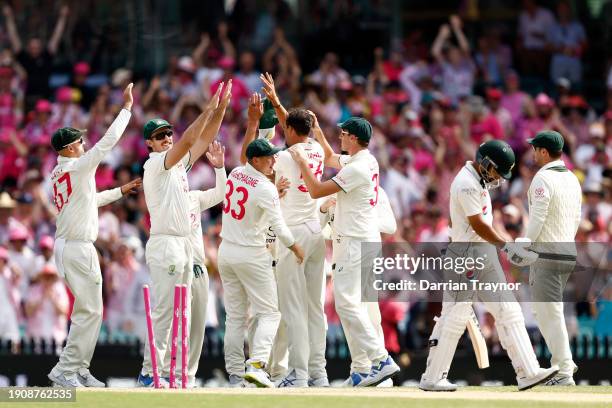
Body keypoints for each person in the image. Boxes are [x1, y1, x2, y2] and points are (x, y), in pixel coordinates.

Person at [418, 140, 559, 392]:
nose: (498, 178)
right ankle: (432, 377)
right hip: (465, 256)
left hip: (482, 254)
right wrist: (506, 246)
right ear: (485, 163)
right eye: (497, 171)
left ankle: (528, 372)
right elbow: (479, 225)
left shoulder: (478, 180)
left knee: (508, 310)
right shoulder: (465, 184)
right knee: (455, 317)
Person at [288, 116, 400, 387]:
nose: (339, 137)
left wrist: (301, 161)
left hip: (354, 242)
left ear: (352, 137)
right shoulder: (366, 160)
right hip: (363, 240)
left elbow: (315, 191)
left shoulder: (356, 169)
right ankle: (362, 369)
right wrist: (316, 130)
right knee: (355, 306)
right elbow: (328, 158)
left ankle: (381, 360)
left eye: (343, 134)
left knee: (347, 304)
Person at [138, 81, 232, 387]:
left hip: (182, 245)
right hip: (165, 242)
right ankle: (149, 372)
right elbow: (191, 136)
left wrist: (220, 110)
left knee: (182, 314)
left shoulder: (177, 167)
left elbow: (203, 140)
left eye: (168, 133)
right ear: (149, 144)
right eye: (159, 136)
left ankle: (172, 373)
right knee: (165, 311)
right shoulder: (155, 165)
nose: (166, 138)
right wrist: (207, 108)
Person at [47, 83, 140, 387]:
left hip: (70, 245)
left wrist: (120, 191)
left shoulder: (63, 172)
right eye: (79, 141)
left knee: (91, 311)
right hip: (77, 247)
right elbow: (107, 143)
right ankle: (67, 368)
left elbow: (90, 201)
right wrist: (126, 108)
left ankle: (79, 368)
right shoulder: (76, 168)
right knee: (89, 311)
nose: (85, 144)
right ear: (69, 149)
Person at [257, 73, 328, 387]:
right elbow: (297, 129)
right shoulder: (315, 150)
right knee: (315, 307)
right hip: (316, 231)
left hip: (294, 234)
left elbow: (262, 180)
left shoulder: (284, 156)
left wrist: (274, 184)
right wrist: (277, 102)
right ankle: (319, 373)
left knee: (293, 308)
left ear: (287, 131)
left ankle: (298, 375)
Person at [218, 138, 304, 388]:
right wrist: (296, 248)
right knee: (270, 312)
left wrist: (272, 194)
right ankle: (256, 365)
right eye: (268, 157)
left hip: (227, 251)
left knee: (235, 317)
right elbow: (279, 227)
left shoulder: (235, 173)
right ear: (254, 160)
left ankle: (235, 374)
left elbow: (249, 204)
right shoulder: (264, 188)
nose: (273, 161)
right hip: (251, 254)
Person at [522, 131, 582, 385]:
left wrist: (525, 243)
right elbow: (577, 217)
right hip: (567, 250)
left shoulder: (542, 177)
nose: (533, 153)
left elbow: (538, 217)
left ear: (545, 152)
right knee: (545, 309)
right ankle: (563, 365)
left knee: (549, 311)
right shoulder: (572, 178)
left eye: (535, 149)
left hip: (546, 252)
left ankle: (564, 369)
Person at [169, 140, 227, 386]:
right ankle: (168, 370)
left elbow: (221, 193)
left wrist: (220, 168)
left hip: (198, 266)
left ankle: (188, 375)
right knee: (175, 321)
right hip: (175, 265)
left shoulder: (194, 197)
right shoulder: (163, 198)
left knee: (198, 323)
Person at [3, 5, 69, 111]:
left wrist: (62, 18)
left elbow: (56, 36)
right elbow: (13, 36)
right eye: (32, 47)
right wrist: (9, 18)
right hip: (27, 101)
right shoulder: (24, 58)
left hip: (45, 100)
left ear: (40, 48)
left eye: (37, 47)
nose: (34, 49)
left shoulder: (46, 57)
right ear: (28, 47)